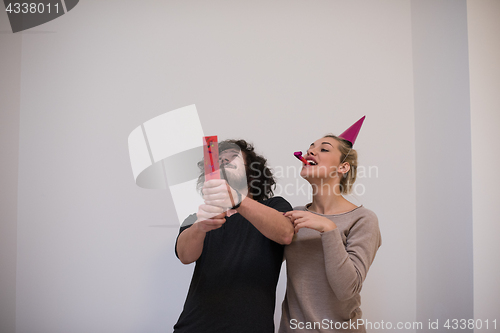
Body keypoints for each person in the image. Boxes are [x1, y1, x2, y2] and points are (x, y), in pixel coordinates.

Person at [174, 139, 294, 333]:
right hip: (192, 327)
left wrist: (237, 199)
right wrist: (200, 227)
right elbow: (185, 255)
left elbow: (286, 234)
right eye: (219, 160)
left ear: (252, 172)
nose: (224, 162)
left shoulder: (274, 207)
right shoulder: (197, 217)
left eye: (232, 158)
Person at [279, 117, 382, 333]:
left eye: (324, 149)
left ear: (343, 167)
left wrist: (328, 228)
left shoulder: (363, 219)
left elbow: (347, 290)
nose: (310, 152)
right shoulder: (294, 216)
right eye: (310, 148)